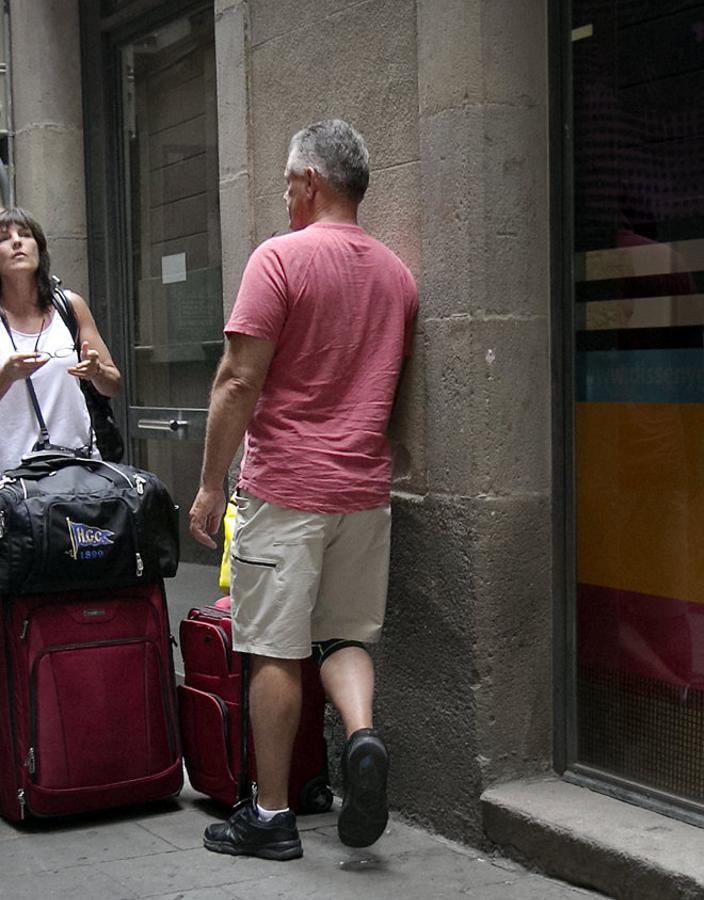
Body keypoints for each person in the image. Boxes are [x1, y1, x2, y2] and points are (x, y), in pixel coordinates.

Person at [188, 119, 418, 861]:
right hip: (363, 491)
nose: (285, 197)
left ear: (310, 181)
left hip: (286, 488)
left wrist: (206, 485)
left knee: (274, 652)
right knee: (344, 634)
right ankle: (361, 735)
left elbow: (237, 380)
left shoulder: (279, 260)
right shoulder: (397, 277)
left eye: (288, 183)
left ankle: (273, 815)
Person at [0, 207, 121, 477]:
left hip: (78, 473)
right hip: (13, 481)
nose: (17, 242)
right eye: (3, 239)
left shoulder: (71, 306)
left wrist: (96, 372)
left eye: (25, 234)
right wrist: (5, 376)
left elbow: (113, 385)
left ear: (39, 250)